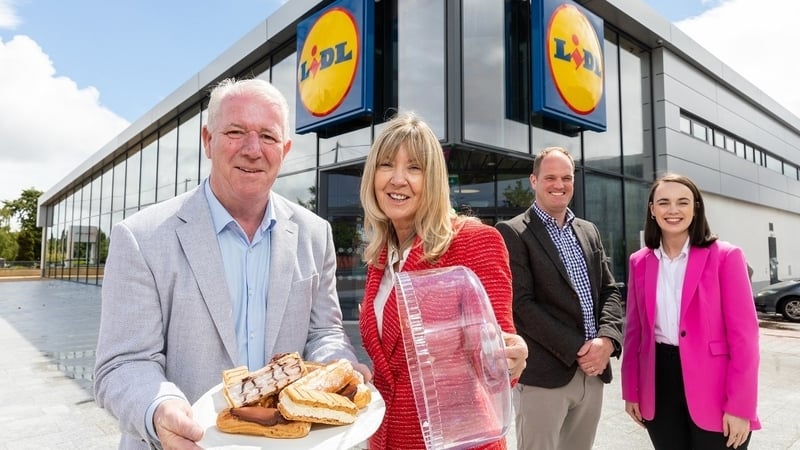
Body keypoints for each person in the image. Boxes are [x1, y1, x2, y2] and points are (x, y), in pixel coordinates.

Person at [93, 78, 371, 450]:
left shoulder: (314, 234)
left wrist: (339, 364)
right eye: (236, 132)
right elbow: (123, 363)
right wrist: (160, 409)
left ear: (285, 149)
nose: (253, 150)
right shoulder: (141, 238)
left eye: (268, 137)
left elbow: (323, 333)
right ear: (208, 141)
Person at [358, 112, 528, 450]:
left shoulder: (474, 241)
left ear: (433, 178)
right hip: (385, 438)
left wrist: (511, 355)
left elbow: (500, 348)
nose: (398, 179)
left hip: (458, 442)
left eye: (415, 168)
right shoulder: (379, 258)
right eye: (386, 165)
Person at [495, 146, 624, 450]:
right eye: (550, 177)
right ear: (533, 180)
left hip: (592, 374)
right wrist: (580, 348)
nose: (559, 184)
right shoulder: (512, 232)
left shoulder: (588, 230)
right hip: (544, 377)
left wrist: (606, 341)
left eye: (566, 177)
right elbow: (522, 305)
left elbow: (609, 291)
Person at [621, 173, 760, 449]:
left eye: (682, 202)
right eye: (664, 202)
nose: (673, 210)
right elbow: (635, 334)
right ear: (652, 210)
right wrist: (631, 391)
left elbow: (745, 338)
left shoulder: (726, 257)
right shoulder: (639, 261)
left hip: (715, 386)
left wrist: (741, 407)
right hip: (659, 383)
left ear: (695, 208)